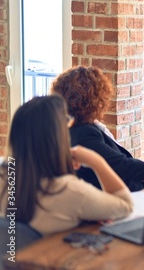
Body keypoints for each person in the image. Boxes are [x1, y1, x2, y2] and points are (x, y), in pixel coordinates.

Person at [0, 95, 133, 236]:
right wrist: (96, 161)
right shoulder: (67, 190)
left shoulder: (4, 178)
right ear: (57, 137)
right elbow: (125, 205)